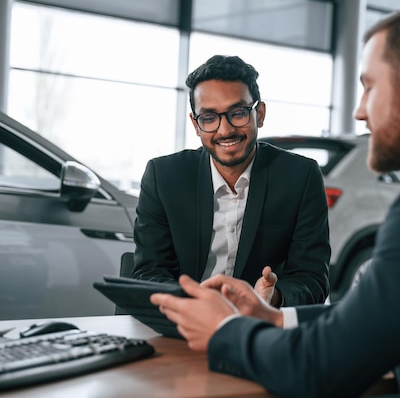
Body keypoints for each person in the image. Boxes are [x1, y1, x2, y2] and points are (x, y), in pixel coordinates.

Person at [151, 0, 400, 398]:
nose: (359, 113)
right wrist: (275, 320)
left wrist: (225, 329)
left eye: (370, 87)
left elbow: (320, 368)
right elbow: (379, 317)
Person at [131, 54, 330, 307]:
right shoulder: (164, 177)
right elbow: (148, 272)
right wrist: (195, 302)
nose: (224, 130)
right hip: (184, 319)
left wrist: (272, 297)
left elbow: (312, 279)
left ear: (260, 113)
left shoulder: (300, 177)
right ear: (195, 124)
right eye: (209, 118)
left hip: (258, 326)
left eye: (238, 113)